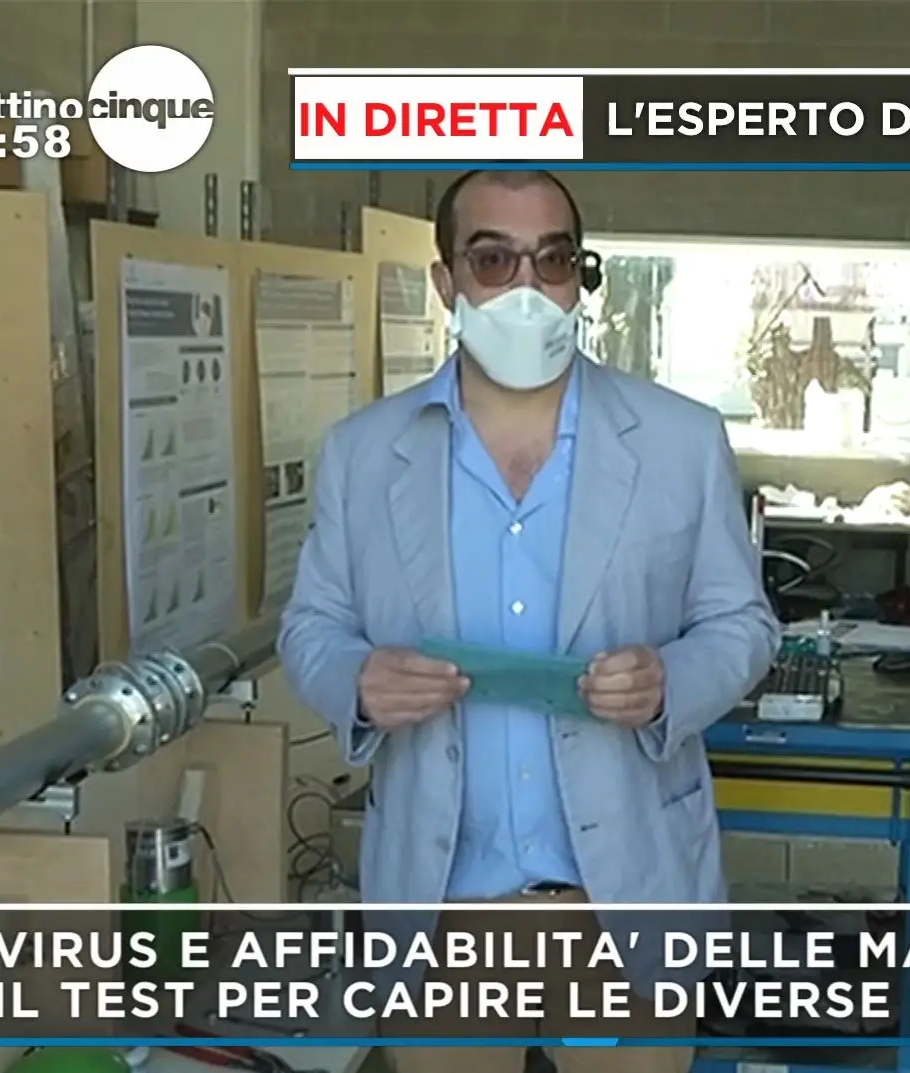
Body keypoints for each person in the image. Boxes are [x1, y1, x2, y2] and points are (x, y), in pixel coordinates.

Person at [278, 169, 779, 1073]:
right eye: (491, 259)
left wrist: (669, 681)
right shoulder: (364, 452)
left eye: (551, 260)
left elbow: (741, 621)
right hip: (442, 911)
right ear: (446, 282)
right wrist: (356, 680)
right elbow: (313, 623)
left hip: (624, 898)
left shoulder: (680, 439)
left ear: (579, 276)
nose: (525, 287)